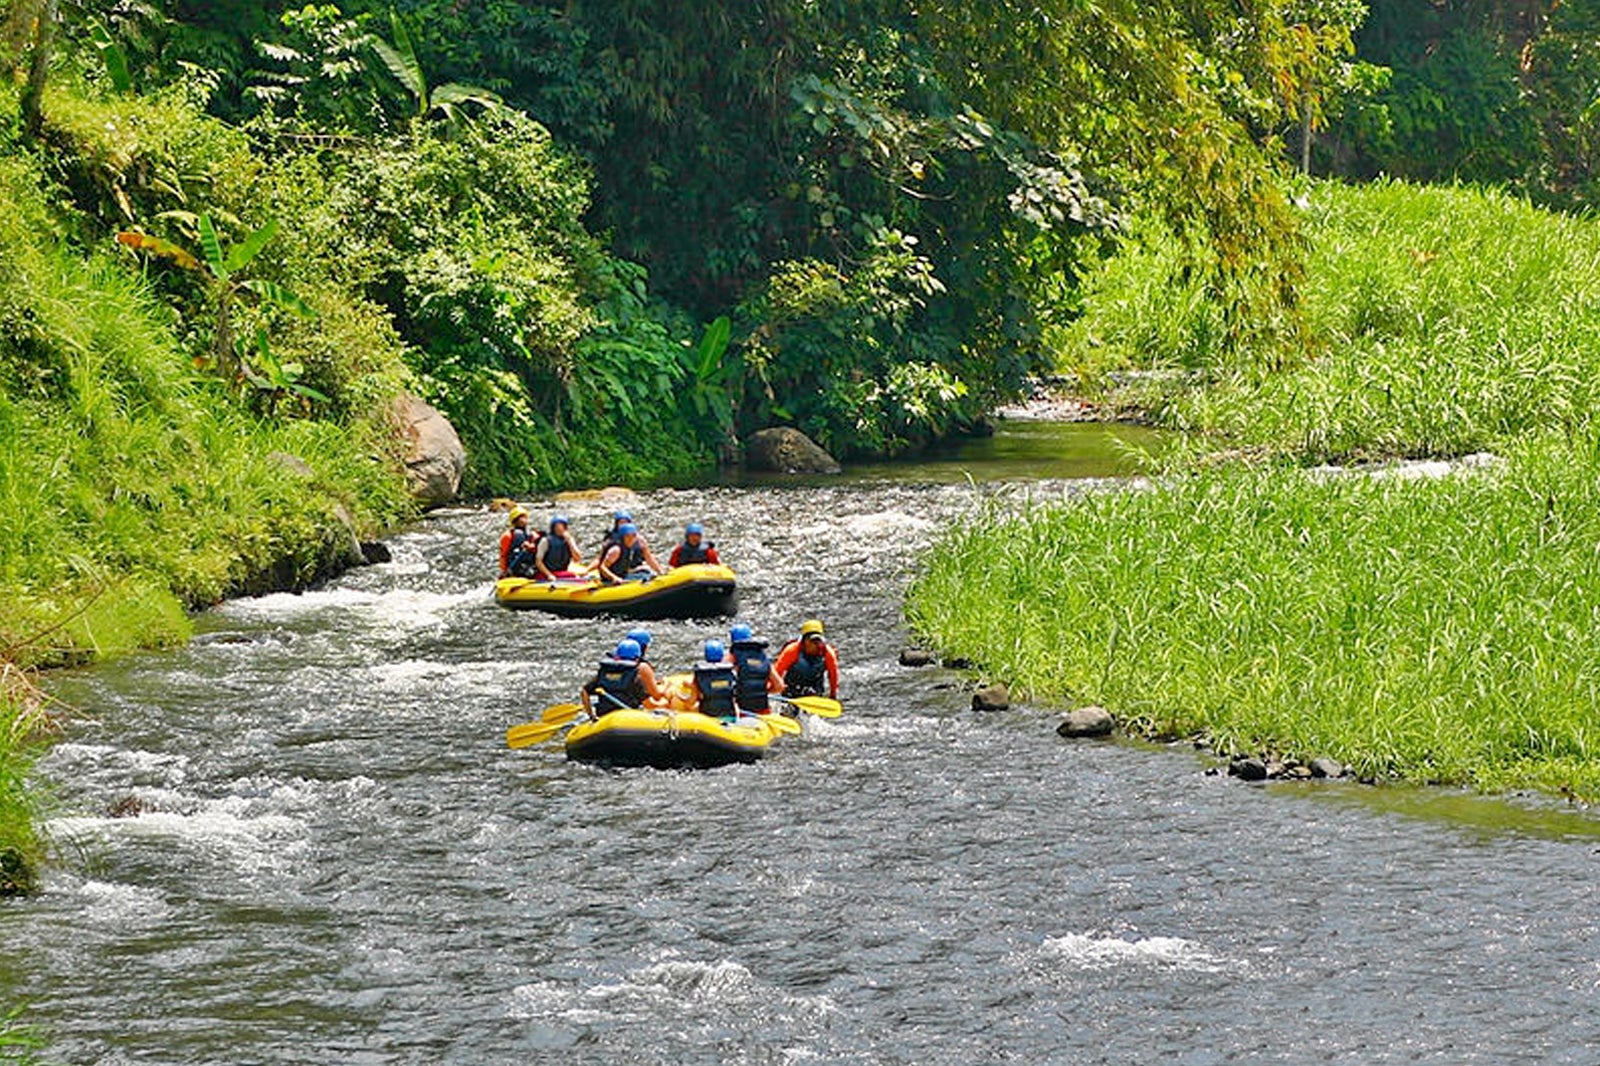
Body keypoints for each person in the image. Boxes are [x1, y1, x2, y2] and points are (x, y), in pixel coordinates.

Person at [581, 638, 664, 718]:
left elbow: (584, 691)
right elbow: (646, 703)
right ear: (637, 658)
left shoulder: (603, 673)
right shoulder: (635, 677)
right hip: (628, 717)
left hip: (604, 715)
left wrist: (591, 715)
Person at [775, 619, 839, 700]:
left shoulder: (828, 653)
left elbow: (833, 676)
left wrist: (833, 695)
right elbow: (777, 672)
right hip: (792, 689)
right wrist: (775, 688)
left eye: (818, 641)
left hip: (814, 689)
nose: (817, 645)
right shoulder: (792, 651)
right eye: (813, 641)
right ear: (804, 641)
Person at [727, 622, 782, 714]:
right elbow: (779, 686)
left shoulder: (734, 655)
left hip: (742, 711)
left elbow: (719, 674)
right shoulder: (763, 657)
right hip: (764, 711)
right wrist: (765, 692)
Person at [597, 522, 664, 584]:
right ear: (623, 537)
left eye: (633, 536)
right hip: (610, 580)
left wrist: (660, 571)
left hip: (624, 575)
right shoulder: (616, 550)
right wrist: (614, 578)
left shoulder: (636, 545)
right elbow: (603, 567)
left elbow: (649, 559)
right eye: (628, 536)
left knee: (646, 574)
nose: (631, 539)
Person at [690, 639, 738, 719]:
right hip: (729, 716)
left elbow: (693, 698)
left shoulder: (700, 675)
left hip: (707, 718)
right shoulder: (731, 674)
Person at [534, 514, 583, 580]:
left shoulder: (569, 540)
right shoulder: (545, 541)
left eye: (562, 526)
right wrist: (549, 575)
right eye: (557, 526)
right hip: (547, 573)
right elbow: (538, 561)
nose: (559, 528)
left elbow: (577, 559)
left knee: (576, 577)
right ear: (553, 528)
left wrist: (570, 542)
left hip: (561, 572)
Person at [498, 507, 537, 578]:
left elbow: (539, 549)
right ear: (514, 521)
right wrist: (503, 570)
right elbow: (503, 555)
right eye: (519, 518)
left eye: (524, 517)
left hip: (530, 566)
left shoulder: (533, 534)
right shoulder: (507, 536)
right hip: (514, 569)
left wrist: (532, 547)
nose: (522, 520)